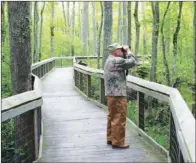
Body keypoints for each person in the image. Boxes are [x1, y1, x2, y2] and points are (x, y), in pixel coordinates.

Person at [104, 43, 137, 149]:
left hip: (111, 94)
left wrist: (124, 52)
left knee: (112, 116)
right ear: (114, 51)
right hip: (118, 94)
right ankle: (118, 142)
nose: (122, 52)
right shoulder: (116, 60)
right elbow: (132, 62)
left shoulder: (109, 59)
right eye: (120, 50)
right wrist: (128, 52)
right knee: (119, 117)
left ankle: (111, 138)